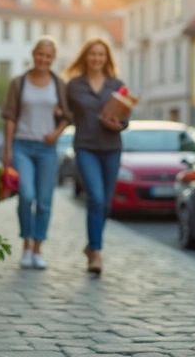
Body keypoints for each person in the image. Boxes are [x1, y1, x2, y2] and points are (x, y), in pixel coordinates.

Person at [1, 37, 72, 269]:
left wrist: (57, 133)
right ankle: (26, 246)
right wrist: (8, 148)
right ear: (33, 55)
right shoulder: (19, 83)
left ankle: (38, 249)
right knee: (26, 195)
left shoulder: (59, 84)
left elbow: (68, 117)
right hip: (22, 145)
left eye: (48, 56)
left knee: (44, 201)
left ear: (53, 59)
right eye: (40, 54)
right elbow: (10, 116)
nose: (43, 59)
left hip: (47, 148)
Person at [64, 37, 127, 275]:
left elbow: (125, 118)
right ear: (85, 57)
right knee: (96, 200)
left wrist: (117, 124)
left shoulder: (117, 84)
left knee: (107, 205)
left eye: (101, 54)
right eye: (93, 54)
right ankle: (97, 254)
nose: (97, 58)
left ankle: (92, 246)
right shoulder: (74, 85)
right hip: (86, 147)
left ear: (107, 58)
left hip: (112, 147)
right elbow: (64, 112)